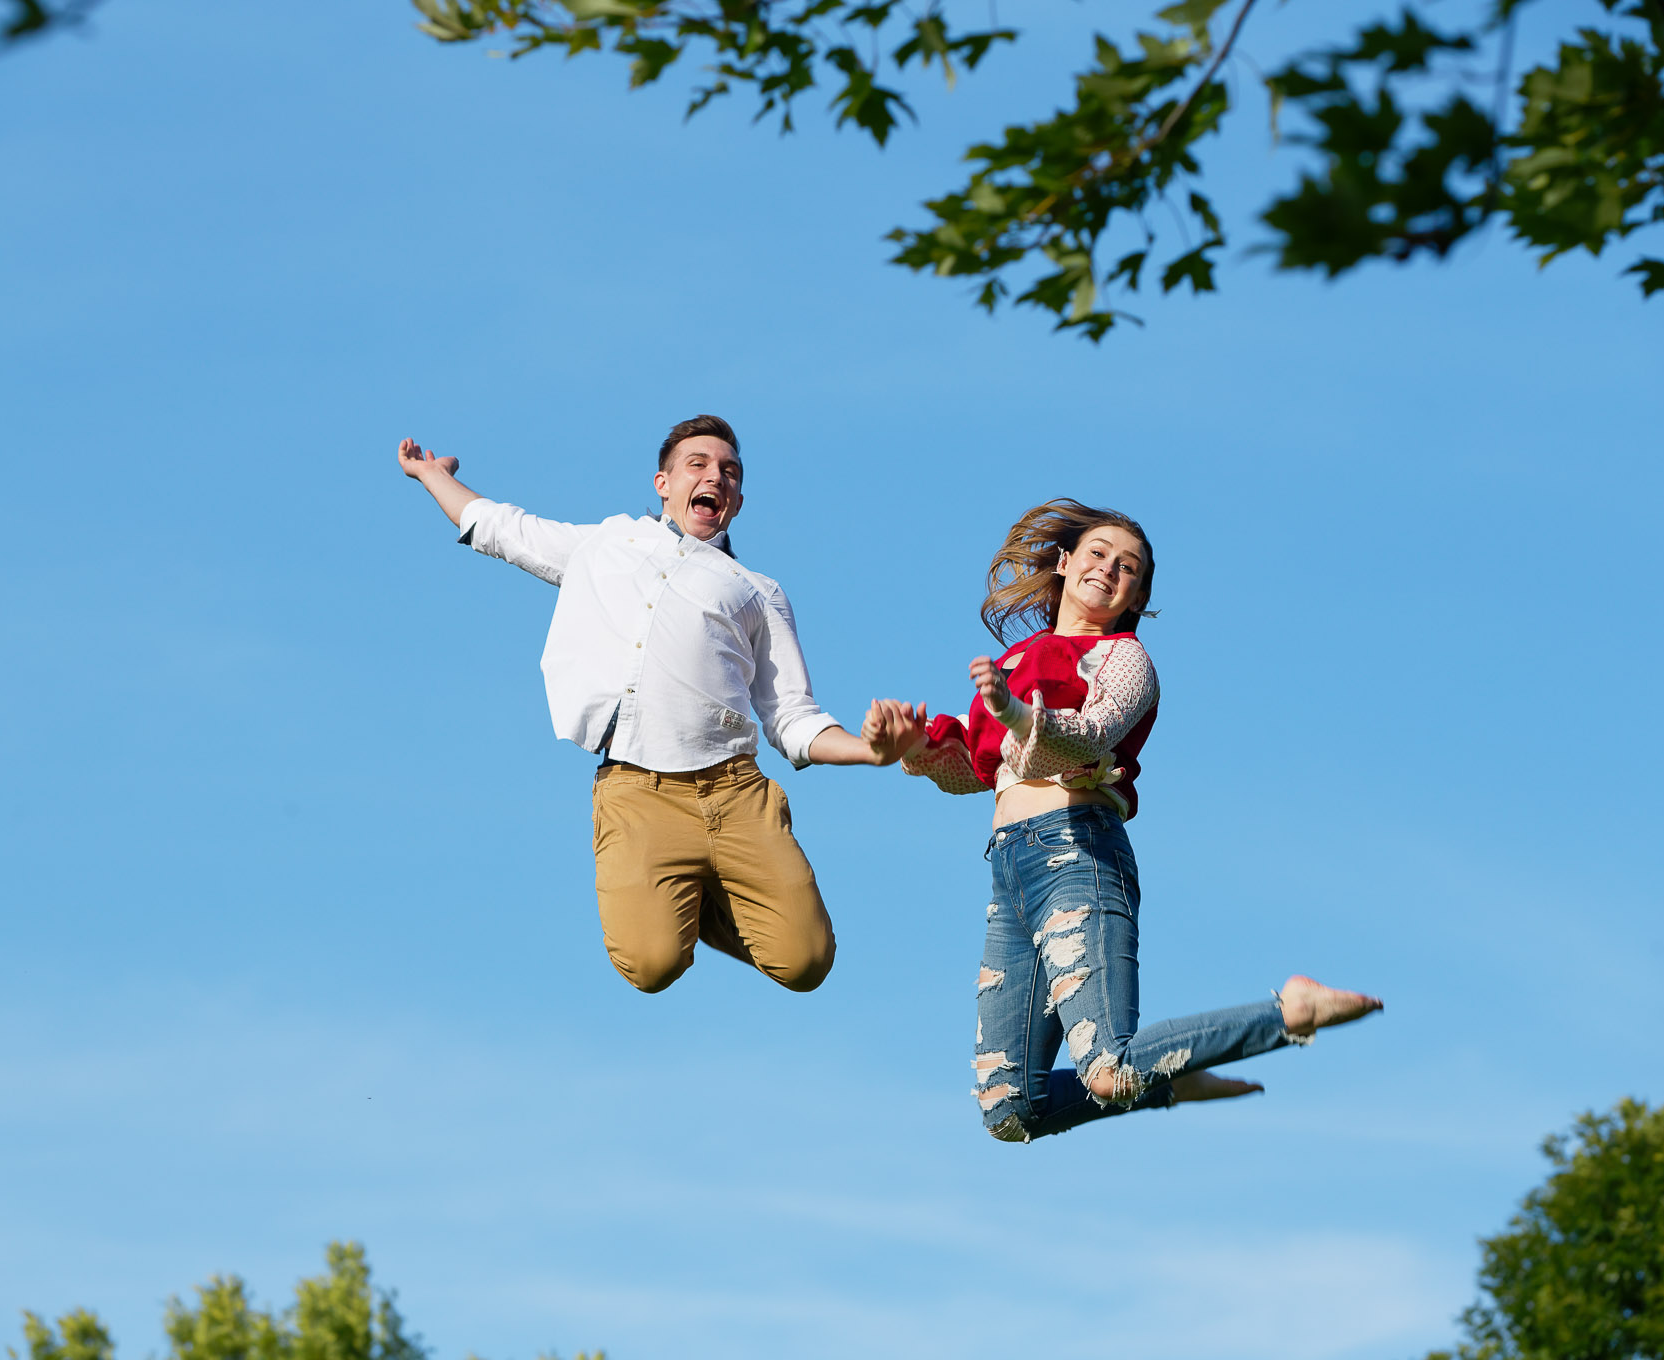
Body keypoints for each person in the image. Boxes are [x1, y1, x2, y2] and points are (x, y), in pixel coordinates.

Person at [879, 499, 1382, 1141]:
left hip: (1078, 853)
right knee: (1009, 1110)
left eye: (1129, 568)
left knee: (1106, 1067)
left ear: (1136, 594)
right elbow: (978, 774)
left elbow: (1089, 738)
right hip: (1011, 869)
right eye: (1098, 554)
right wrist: (912, 750)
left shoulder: (1125, 659)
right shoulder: (1019, 661)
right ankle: (1167, 1076)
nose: (1110, 570)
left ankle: (1291, 1013)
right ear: (1064, 564)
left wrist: (1019, 715)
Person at [395, 415, 920, 995]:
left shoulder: (756, 590)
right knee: (651, 965)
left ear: (737, 502)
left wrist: (871, 750)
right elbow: (499, 525)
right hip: (638, 790)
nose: (714, 477)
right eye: (698, 464)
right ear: (662, 483)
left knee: (806, 962)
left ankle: (704, 888)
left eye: (729, 472)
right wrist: (429, 474)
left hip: (736, 793)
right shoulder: (604, 543)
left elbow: (792, 717)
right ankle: (679, 893)